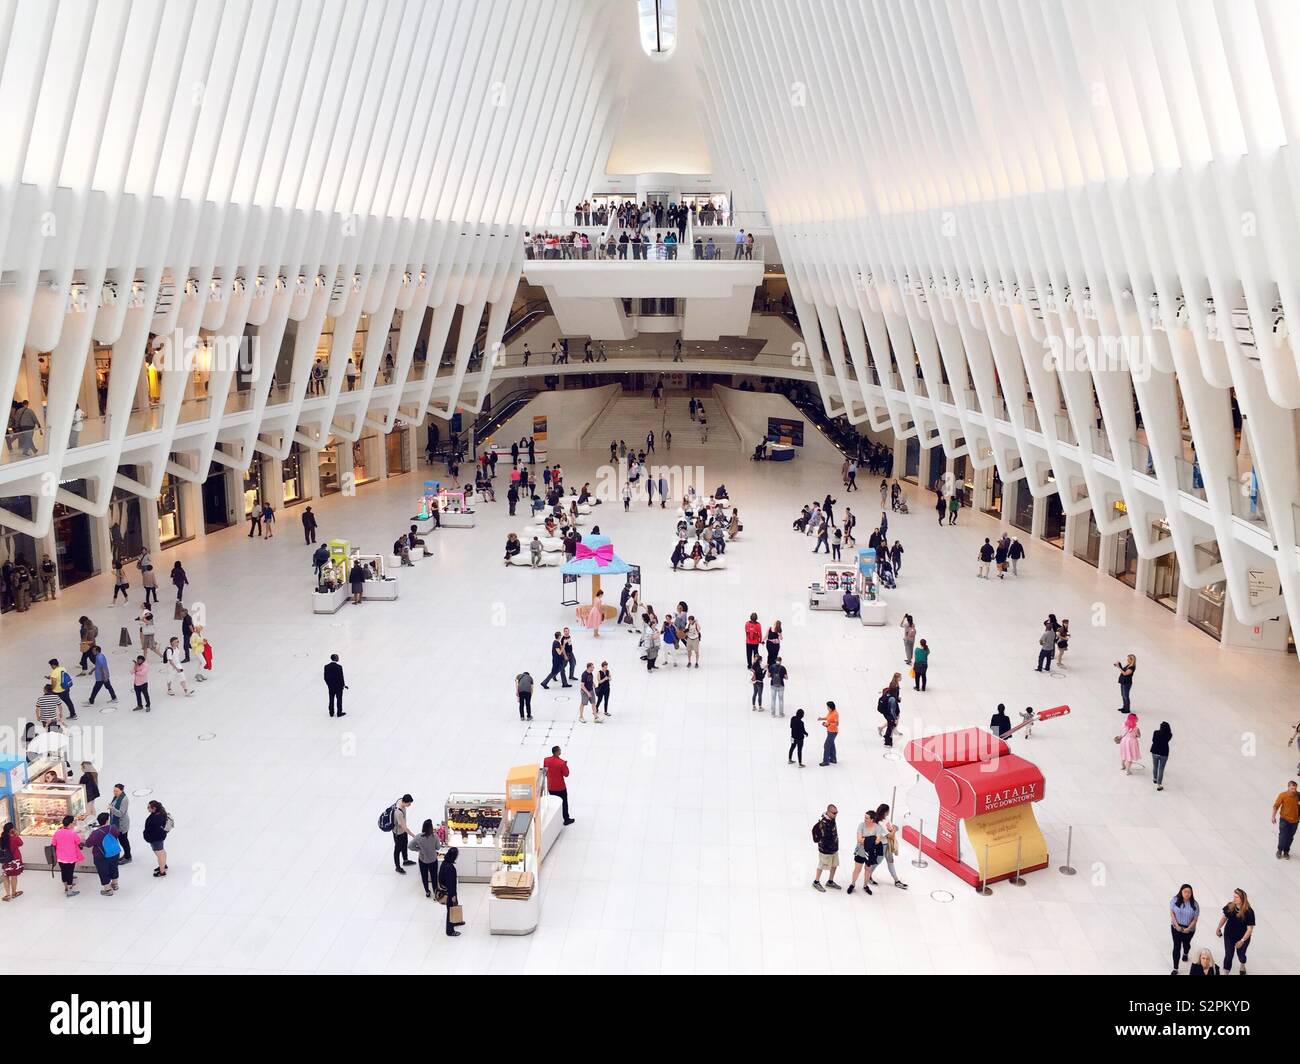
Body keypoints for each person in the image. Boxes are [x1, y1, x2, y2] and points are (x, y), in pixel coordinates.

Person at [1216, 889, 1255, 974]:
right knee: (1229, 955)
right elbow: (1224, 918)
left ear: (1242, 898)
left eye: (1236, 897)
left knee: (1241, 955)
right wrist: (1218, 928)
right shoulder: (1230, 906)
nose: (1234, 899)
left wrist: (1242, 941)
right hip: (1229, 935)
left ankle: (1242, 964)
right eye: (1234, 896)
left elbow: (1250, 929)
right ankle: (1226, 972)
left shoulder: (1249, 911)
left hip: (1243, 937)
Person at [85, 813, 123, 897]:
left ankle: (108, 889)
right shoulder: (113, 828)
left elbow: (88, 844)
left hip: (101, 856)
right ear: (107, 820)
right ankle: (115, 884)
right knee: (114, 868)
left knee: (103, 871)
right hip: (115, 853)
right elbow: (117, 834)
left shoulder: (96, 833)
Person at [874, 804, 909, 889]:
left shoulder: (886, 818)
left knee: (890, 862)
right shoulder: (879, 823)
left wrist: (893, 830)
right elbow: (890, 834)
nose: (889, 812)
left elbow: (893, 828)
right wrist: (893, 831)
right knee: (877, 861)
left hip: (888, 845)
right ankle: (868, 874)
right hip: (881, 846)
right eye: (888, 811)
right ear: (885, 812)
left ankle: (897, 881)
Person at [847, 810, 881, 895]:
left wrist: (865, 839)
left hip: (871, 853)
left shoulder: (877, 827)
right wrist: (872, 838)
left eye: (867, 818)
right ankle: (853, 884)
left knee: (868, 870)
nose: (864, 819)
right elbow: (859, 840)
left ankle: (865, 885)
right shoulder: (861, 825)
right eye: (865, 817)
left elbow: (877, 841)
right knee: (857, 869)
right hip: (861, 851)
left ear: (872, 819)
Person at [1170, 884, 1199, 974]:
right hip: (1176, 927)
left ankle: (1185, 953)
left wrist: (1189, 928)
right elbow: (1172, 913)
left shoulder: (1195, 904)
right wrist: (1176, 925)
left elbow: (1195, 919)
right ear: (1181, 892)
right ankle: (1175, 968)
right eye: (1185, 892)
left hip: (1189, 929)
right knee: (1176, 947)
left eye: (1189, 892)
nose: (1187, 894)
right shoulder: (1174, 900)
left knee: (1186, 944)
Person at [52, 815, 84, 897]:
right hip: (70, 858)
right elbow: (78, 842)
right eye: (73, 823)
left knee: (63, 872)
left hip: (60, 857)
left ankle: (65, 887)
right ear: (70, 824)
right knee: (70, 873)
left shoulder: (57, 832)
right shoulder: (72, 833)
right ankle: (70, 891)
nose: (74, 824)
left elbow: (53, 843)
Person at [812, 805, 841, 891]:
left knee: (834, 865)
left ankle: (830, 881)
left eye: (837, 813)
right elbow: (817, 833)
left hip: (834, 848)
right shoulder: (823, 823)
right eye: (834, 813)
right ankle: (816, 882)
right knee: (821, 865)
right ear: (828, 812)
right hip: (825, 850)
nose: (836, 815)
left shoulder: (832, 819)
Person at [544, 746, 575, 825]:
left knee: (553, 804)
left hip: (551, 787)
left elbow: (545, 770)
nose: (560, 751)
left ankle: (554, 821)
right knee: (564, 803)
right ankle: (566, 819)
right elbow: (566, 774)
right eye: (559, 750)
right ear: (557, 752)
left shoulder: (546, 760)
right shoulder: (562, 762)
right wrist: (566, 766)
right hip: (560, 787)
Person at [1272, 779, 1299, 859]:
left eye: (1295, 789)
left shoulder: (1298, 795)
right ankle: (1279, 850)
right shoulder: (1283, 795)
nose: (1294, 790)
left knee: (1290, 837)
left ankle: (1286, 852)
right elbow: (1276, 806)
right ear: (1288, 787)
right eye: (1292, 788)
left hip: (1295, 821)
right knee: (1283, 836)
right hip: (1284, 819)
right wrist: (1273, 816)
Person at [142, 801, 170, 877]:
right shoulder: (161, 814)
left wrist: (147, 835)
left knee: (160, 854)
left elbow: (153, 829)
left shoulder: (155, 818)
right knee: (162, 852)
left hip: (155, 839)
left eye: (149, 807)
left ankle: (162, 871)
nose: (147, 808)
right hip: (160, 837)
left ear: (154, 808)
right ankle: (163, 865)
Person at [438, 847, 461, 937]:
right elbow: (450, 883)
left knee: (454, 906)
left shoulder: (445, 862)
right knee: (451, 909)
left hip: (448, 890)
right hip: (450, 893)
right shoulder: (450, 868)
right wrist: (453, 895)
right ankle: (450, 930)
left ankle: (456, 920)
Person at [391, 794, 415, 873]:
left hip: (403, 831)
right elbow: (404, 827)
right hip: (398, 833)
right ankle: (397, 867)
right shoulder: (399, 812)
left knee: (404, 844)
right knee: (397, 849)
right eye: (409, 803)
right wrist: (414, 836)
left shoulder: (400, 800)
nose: (409, 805)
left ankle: (405, 860)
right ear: (404, 802)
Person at [1, 821, 24, 901]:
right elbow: (21, 843)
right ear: (12, 829)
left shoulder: (2, 838)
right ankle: (14, 893)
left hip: (5, 860)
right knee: (14, 876)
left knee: (5, 876)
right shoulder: (14, 838)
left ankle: (7, 895)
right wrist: (16, 834)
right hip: (15, 860)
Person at [108, 785, 131, 863]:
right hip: (116, 823)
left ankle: (128, 857)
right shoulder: (116, 797)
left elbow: (121, 813)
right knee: (122, 840)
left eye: (116, 791)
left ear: (121, 790)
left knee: (123, 841)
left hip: (121, 825)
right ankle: (126, 855)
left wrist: (112, 808)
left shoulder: (124, 800)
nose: (115, 792)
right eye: (114, 791)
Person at [1150, 721, 1172, 791]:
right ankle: (1159, 784)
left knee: (1155, 766)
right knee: (1161, 769)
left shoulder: (1155, 732)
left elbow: (1153, 740)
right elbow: (1167, 740)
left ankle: (1154, 778)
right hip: (1164, 753)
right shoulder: (1169, 735)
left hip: (1155, 751)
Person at [818, 701, 839, 766]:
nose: (827, 708)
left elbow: (837, 723)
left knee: (826, 746)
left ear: (831, 707)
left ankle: (826, 761)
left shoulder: (835, 714)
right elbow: (828, 718)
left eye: (828, 707)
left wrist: (829, 724)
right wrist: (822, 718)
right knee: (832, 746)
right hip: (829, 731)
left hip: (833, 732)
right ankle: (833, 759)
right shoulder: (830, 712)